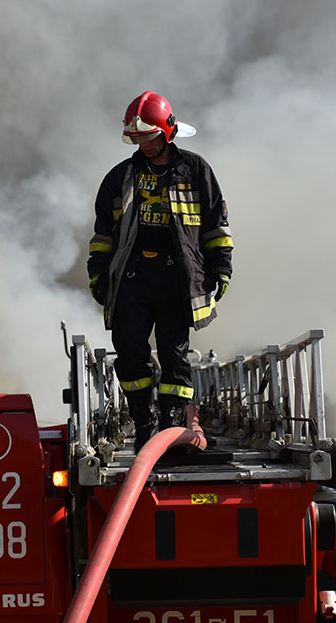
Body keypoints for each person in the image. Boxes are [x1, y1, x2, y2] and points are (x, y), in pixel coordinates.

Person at [87, 90, 232, 450]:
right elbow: (103, 234)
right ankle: (144, 422)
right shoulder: (119, 177)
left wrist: (221, 268)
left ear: (167, 131)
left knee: (174, 355)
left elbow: (215, 226)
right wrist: (98, 273)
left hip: (177, 277)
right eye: (137, 138)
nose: (144, 144)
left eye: (149, 136)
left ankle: (170, 424)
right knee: (128, 350)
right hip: (133, 276)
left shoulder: (195, 170)